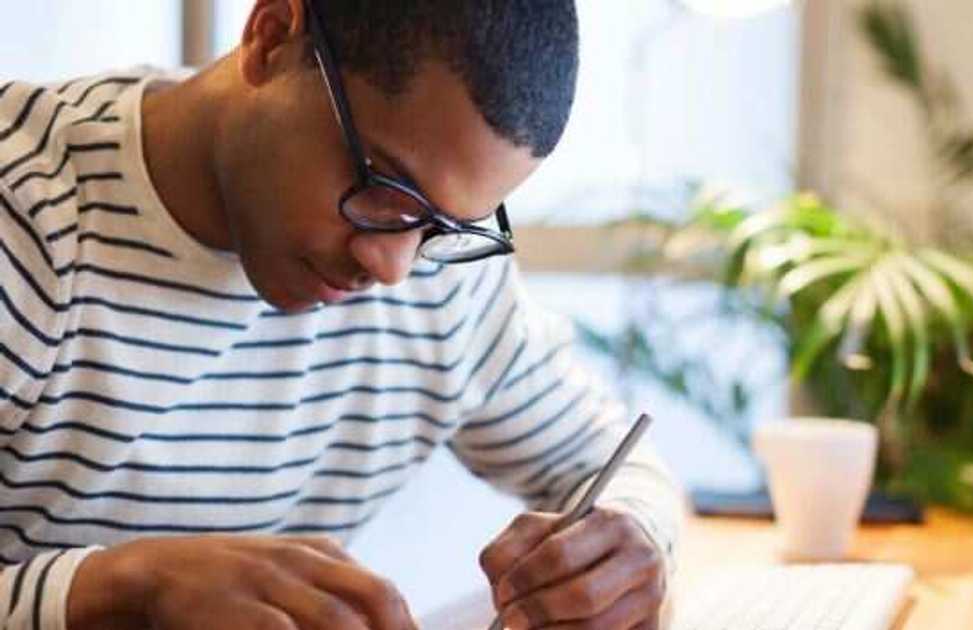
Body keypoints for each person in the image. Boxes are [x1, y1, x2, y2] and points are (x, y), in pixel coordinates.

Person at [0, 1, 685, 629]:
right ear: (270, 39)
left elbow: (614, 462)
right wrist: (116, 586)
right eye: (382, 186)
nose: (392, 268)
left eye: (445, 226)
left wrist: (631, 539)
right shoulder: (27, 220)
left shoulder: (438, 278)